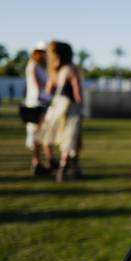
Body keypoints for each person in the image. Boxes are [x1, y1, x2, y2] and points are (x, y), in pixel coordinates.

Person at [39, 41, 83, 182]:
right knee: (69, 139)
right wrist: (81, 106)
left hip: (56, 106)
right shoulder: (71, 69)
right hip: (70, 107)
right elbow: (77, 94)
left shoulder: (54, 71)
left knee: (56, 137)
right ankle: (63, 169)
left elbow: (47, 92)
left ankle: (64, 166)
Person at [24, 42, 50, 175]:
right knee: (37, 134)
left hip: (41, 102)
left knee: (40, 134)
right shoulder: (33, 66)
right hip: (36, 104)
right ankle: (37, 163)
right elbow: (38, 85)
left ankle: (40, 162)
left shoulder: (40, 67)